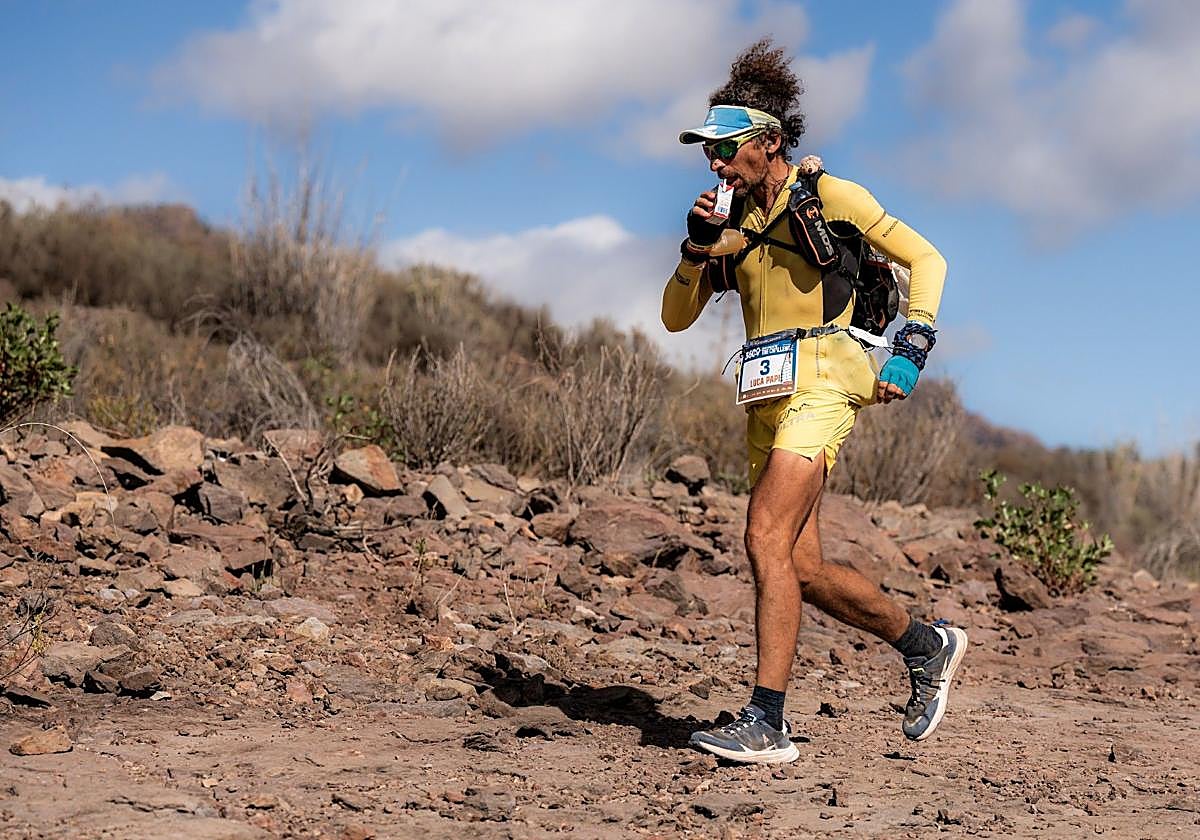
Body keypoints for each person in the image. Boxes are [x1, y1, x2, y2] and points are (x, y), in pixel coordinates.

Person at [662, 39, 967, 765]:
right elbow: (675, 317)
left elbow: (928, 258)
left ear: (769, 142)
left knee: (763, 535)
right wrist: (696, 248)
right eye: (708, 151)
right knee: (800, 566)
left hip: (827, 379)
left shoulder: (831, 197)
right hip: (764, 398)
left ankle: (767, 721)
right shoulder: (734, 227)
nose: (714, 163)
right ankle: (925, 645)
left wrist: (913, 346)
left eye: (725, 148)